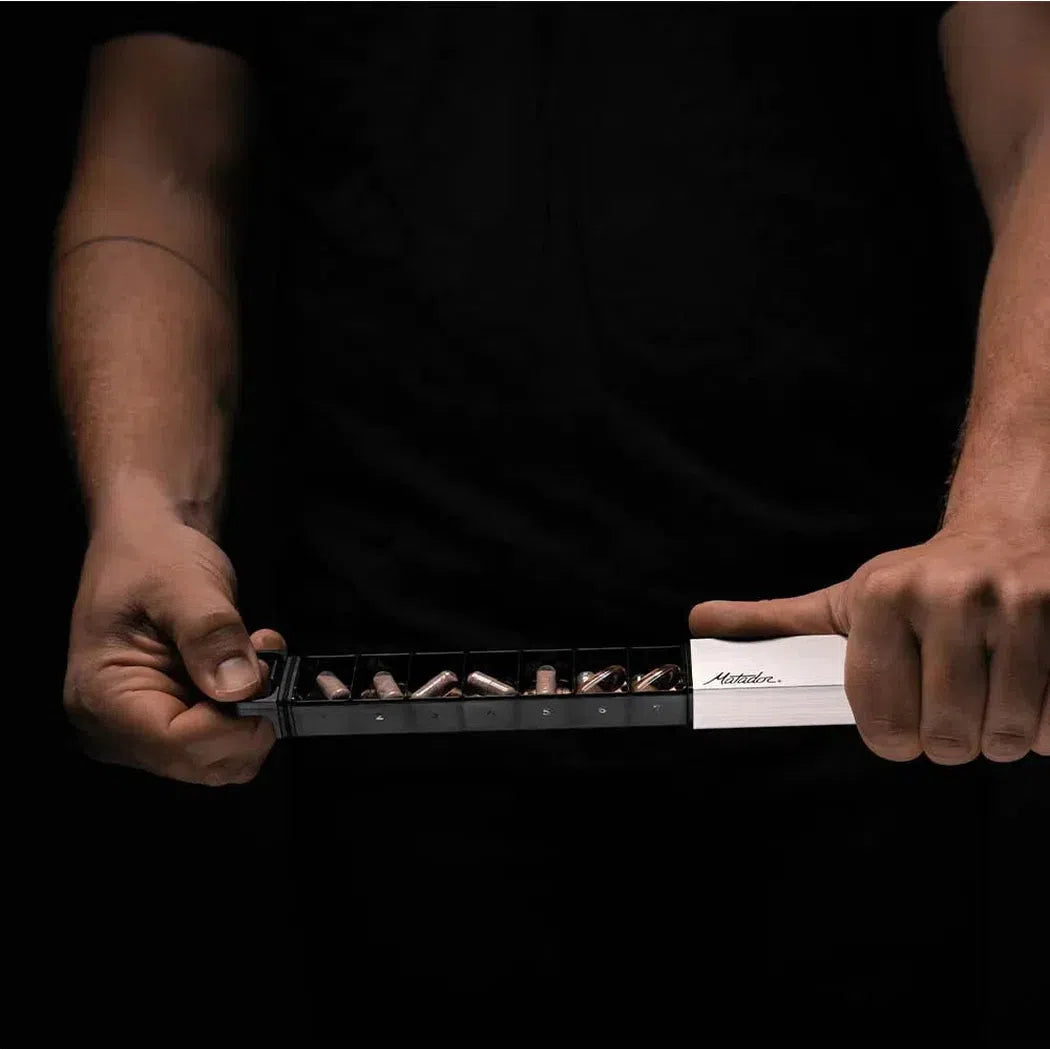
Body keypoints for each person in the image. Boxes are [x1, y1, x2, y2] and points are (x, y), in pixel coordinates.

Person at [51, 4, 1047, 1040]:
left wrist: (1013, 503)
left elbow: (1038, 107)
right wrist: (141, 508)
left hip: (859, 671)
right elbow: (159, 163)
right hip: (398, 699)